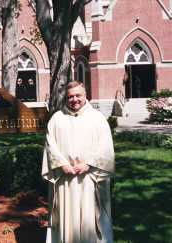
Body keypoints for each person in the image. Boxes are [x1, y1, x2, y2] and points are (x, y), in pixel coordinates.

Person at [42, 81, 115, 243]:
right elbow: (50, 144)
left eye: (78, 95)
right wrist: (62, 164)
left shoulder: (97, 118)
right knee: (66, 214)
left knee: (90, 216)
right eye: (70, 96)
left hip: (89, 177)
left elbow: (106, 147)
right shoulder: (57, 118)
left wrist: (89, 164)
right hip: (64, 178)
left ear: (85, 95)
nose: (74, 99)